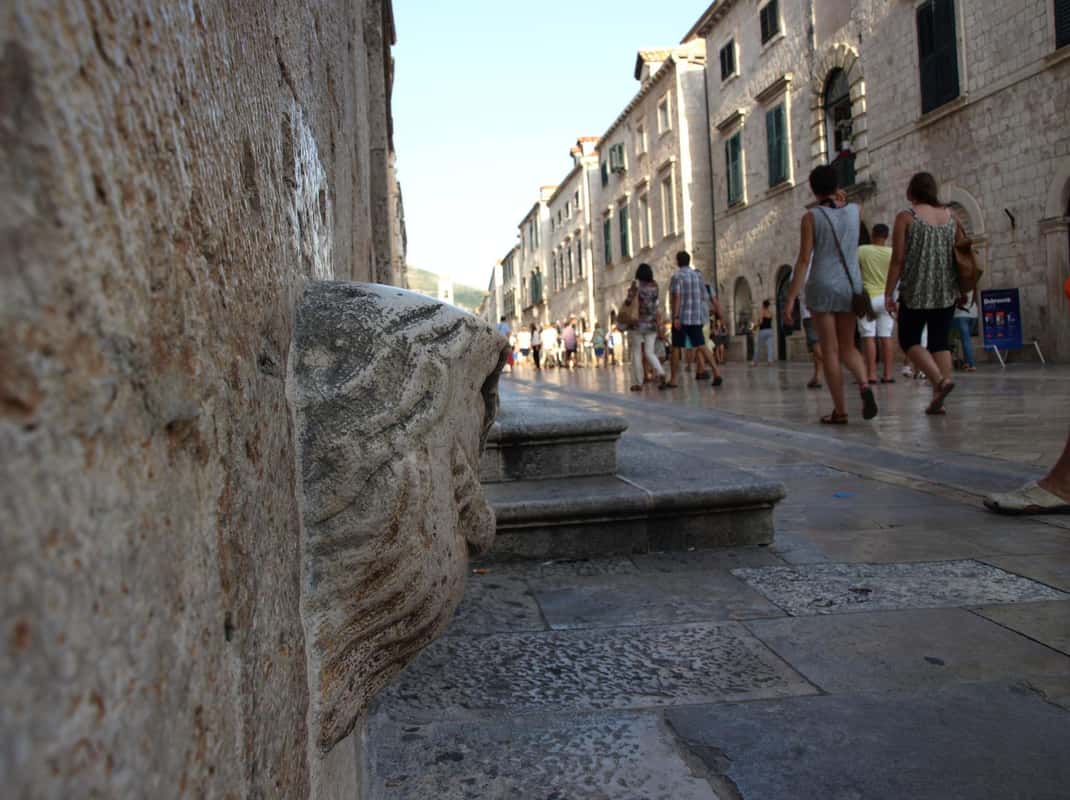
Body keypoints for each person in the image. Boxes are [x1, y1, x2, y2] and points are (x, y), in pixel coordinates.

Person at [783, 165, 877, 424]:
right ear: (837, 186)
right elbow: (846, 210)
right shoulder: (856, 211)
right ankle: (864, 384)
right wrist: (840, 197)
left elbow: (804, 260)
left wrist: (790, 299)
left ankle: (840, 411)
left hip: (822, 286)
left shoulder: (810, 218)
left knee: (830, 350)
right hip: (850, 286)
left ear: (813, 190)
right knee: (848, 346)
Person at [884, 172, 960, 416]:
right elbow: (960, 254)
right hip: (945, 289)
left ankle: (939, 381)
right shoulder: (951, 216)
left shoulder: (907, 217)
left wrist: (888, 293)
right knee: (939, 342)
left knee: (908, 340)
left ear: (912, 191)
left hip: (916, 289)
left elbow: (898, 260)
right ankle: (939, 399)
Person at [667, 251, 723, 388]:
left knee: (676, 347)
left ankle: (673, 379)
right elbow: (704, 297)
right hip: (696, 318)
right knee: (701, 345)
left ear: (677, 261)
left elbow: (677, 297)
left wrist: (675, 316)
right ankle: (716, 372)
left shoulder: (677, 276)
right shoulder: (698, 276)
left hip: (682, 318)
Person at [857, 223, 896, 383]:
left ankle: (871, 374)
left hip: (868, 298)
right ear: (886, 236)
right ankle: (888, 374)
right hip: (886, 298)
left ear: (872, 235)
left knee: (868, 336)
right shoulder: (892, 253)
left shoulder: (862, 250)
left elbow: (855, 269)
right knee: (886, 336)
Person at [624, 263, 667, 391]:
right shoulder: (655, 288)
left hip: (637, 324)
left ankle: (639, 382)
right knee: (649, 352)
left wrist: (631, 293)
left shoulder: (636, 287)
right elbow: (656, 305)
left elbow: (628, 302)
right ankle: (661, 372)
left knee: (637, 352)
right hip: (651, 324)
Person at [952, 287, 979, 371]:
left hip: (961, 315)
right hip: (973, 315)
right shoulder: (972, 284)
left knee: (965, 340)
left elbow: (962, 301)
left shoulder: (958, 285)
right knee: (966, 340)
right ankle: (967, 363)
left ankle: (971, 364)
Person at [752, 300, 775, 366]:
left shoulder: (762, 312)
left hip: (763, 331)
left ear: (763, 305)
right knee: (770, 347)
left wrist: (753, 328)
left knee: (758, 347)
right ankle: (770, 362)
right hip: (770, 330)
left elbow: (761, 322)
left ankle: (755, 362)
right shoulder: (770, 313)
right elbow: (771, 322)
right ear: (768, 306)